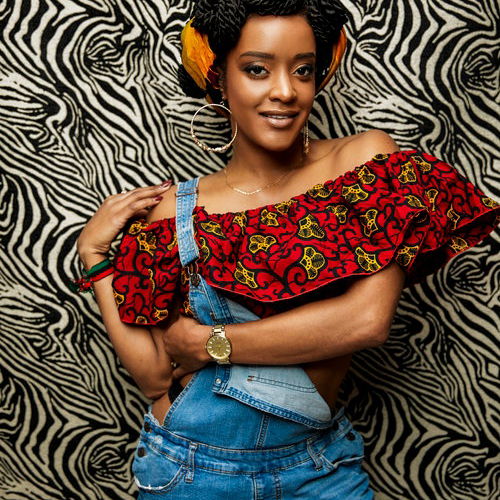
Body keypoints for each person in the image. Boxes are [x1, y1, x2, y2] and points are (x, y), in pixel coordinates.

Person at [73, 1, 500, 498]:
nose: (285, 91)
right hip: (188, 470)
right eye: (257, 69)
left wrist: (211, 343)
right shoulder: (175, 209)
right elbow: (152, 377)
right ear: (219, 80)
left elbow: (365, 321)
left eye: (303, 70)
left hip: (319, 468)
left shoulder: (363, 163)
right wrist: (95, 253)